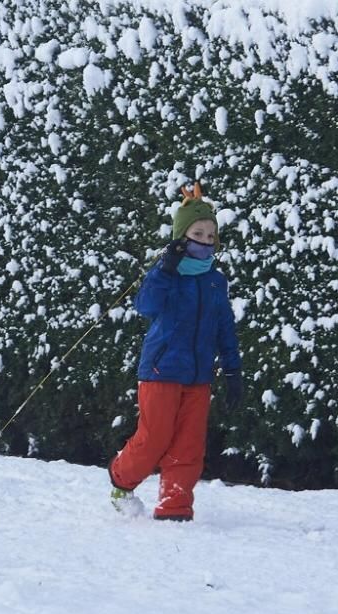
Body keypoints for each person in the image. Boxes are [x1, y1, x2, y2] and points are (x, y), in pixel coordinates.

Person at [108, 182, 243, 521]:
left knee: (189, 445)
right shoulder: (165, 274)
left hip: (198, 376)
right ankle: (121, 481)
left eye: (211, 236)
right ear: (182, 236)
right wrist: (164, 270)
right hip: (160, 370)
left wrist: (232, 369)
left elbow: (224, 326)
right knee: (155, 438)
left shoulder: (215, 281)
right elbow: (146, 306)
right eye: (198, 233)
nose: (206, 241)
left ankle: (175, 506)